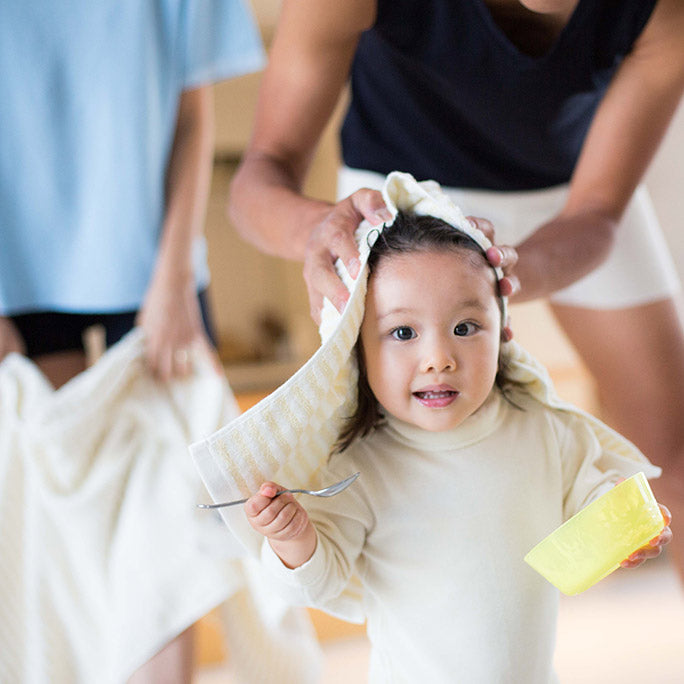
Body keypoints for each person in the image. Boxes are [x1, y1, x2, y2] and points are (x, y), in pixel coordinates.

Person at [228, 0, 684, 584]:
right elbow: (258, 178)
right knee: (386, 453)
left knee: (673, 457)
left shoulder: (662, 12)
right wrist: (316, 230)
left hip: (571, 200)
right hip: (390, 200)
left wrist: (508, 273)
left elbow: (597, 213)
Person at [235, 172, 672, 682]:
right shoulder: (361, 468)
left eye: (465, 328)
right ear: (356, 349)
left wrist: (617, 519)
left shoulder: (543, 429)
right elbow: (320, 582)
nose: (438, 358)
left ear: (502, 329)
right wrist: (293, 541)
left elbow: (589, 492)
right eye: (402, 332)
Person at [0, 1, 265, 681]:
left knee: (170, 531)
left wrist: (176, 275)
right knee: (52, 531)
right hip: (12, 269)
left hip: (154, 266)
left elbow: (191, 111)